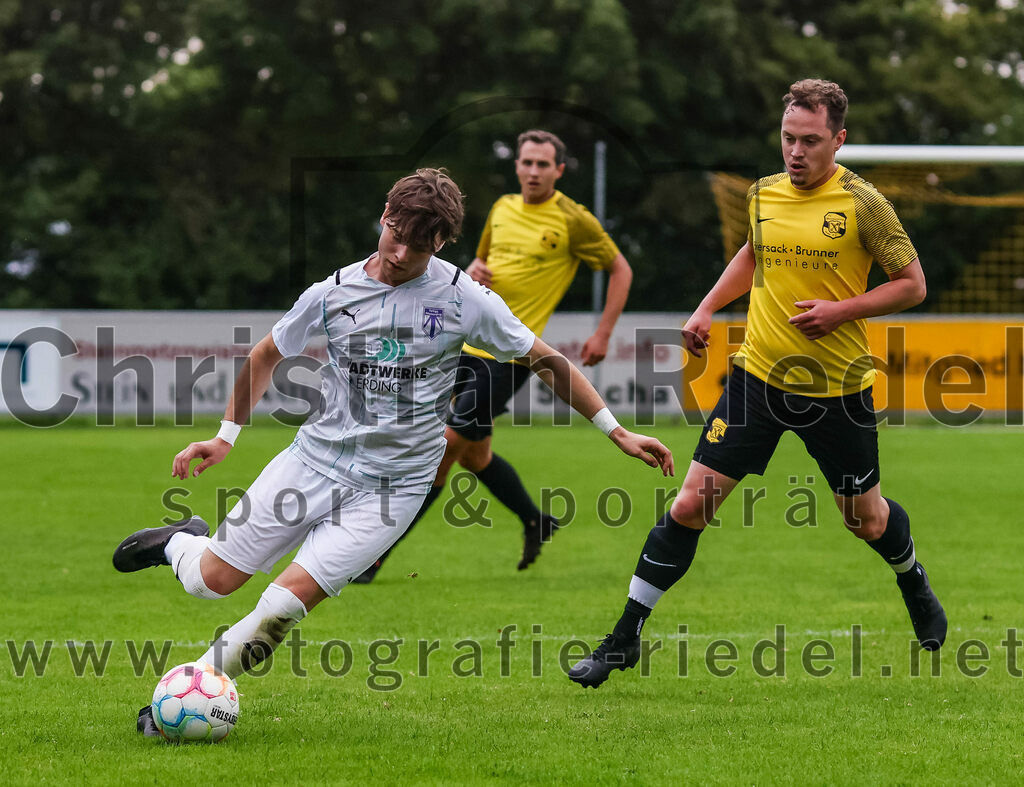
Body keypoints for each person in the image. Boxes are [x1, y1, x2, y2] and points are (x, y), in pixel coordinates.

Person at [110, 168, 672, 734]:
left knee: (277, 613)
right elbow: (265, 354)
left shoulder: (465, 300)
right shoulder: (331, 292)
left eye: (419, 244)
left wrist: (615, 430)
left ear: (442, 243)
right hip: (310, 462)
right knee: (211, 582)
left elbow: (546, 360)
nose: (401, 252)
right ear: (384, 216)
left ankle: (178, 704)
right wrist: (224, 437)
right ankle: (180, 543)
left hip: (392, 489)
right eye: (394, 233)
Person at [568, 79, 947, 688]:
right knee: (690, 504)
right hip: (757, 380)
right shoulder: (764, 193)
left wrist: (840, 311)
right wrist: (706, 308)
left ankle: (912, 578)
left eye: (811, 141)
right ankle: (623, 638)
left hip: (837, 389)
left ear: (839, 140)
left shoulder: (864, 203)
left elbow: (913, 284)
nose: (796, 152)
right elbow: (753, 253)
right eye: (788, 139)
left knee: (865, 520)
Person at [356, 130, 633, 582]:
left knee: (443, 449)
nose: (533, 171)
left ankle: (374, 555)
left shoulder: (573, 219)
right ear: (518, 165)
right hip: (464, 346)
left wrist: (603, 332)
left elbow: (621, 268)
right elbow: (478, 268)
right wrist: (473, 271)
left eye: (544, 164)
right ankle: (535, 519)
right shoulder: (503, 209)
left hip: (510, 356)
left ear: (559, 171)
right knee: (474, 456)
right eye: (527, 162)